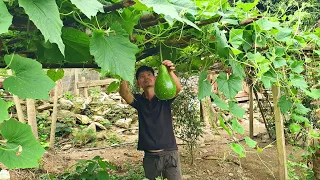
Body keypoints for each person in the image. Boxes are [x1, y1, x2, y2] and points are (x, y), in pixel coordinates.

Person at [119, 60, 182, 180]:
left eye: (149, 75)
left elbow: (177, 89)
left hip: (170, 153)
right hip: (150, 157)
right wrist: (125, 71)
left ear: (155, 78)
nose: (146, 78)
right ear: (138, 83)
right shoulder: (138, 101)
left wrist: (170, 72)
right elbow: (124, 92)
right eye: (141, 77)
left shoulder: (164, 97)